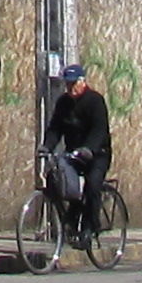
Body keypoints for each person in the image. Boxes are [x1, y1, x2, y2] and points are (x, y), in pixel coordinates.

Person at [44, 62, 113, 238]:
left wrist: (89, 148)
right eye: (67, 84)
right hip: (74, 154)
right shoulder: (63, 103)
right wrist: (47, 146)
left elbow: (100, 129)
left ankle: (91, 228)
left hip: (97, 154)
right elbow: (55, 128)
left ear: (82, 82)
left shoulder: (95, 100)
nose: (70, 88)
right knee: (55, 178)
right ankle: (68, 220)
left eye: (73, 84)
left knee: (92, 184)